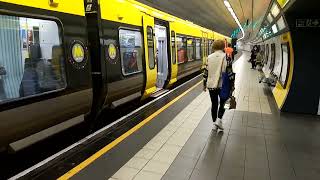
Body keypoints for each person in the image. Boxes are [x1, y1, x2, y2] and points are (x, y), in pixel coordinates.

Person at [206, 40, 228, 131]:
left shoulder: (209, 57)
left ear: (214, 47)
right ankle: (219, 120)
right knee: (223, 103)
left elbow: (206, 71)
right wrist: (232, 84)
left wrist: (204, 84)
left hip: (211, 85)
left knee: (214, 104)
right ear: (223, 47)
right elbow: (227, 71)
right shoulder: (225, 57)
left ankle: (214, 124)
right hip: (222, 85)